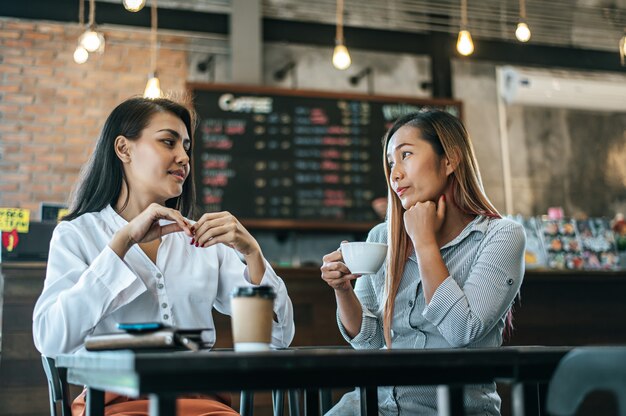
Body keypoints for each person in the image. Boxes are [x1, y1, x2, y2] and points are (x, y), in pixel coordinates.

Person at [32, 97, 295, 416]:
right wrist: (123, 242)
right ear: (124, 149)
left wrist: (252, 253)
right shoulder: (78, 234)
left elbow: (277, 339)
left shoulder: (201, 237)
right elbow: (51, 339)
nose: (183, 157)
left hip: (204, 406)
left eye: (186, 147)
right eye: (168, 142)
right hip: (114, 404)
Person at [321, 110, 525, 415]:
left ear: (450, 160)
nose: (395, 175)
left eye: (406, 156)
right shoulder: (382, 236)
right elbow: (369, 342)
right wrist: (342, 290)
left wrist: (424, 241)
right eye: (391, 163)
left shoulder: (501, 236)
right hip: (368, 406)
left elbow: (462, 330)